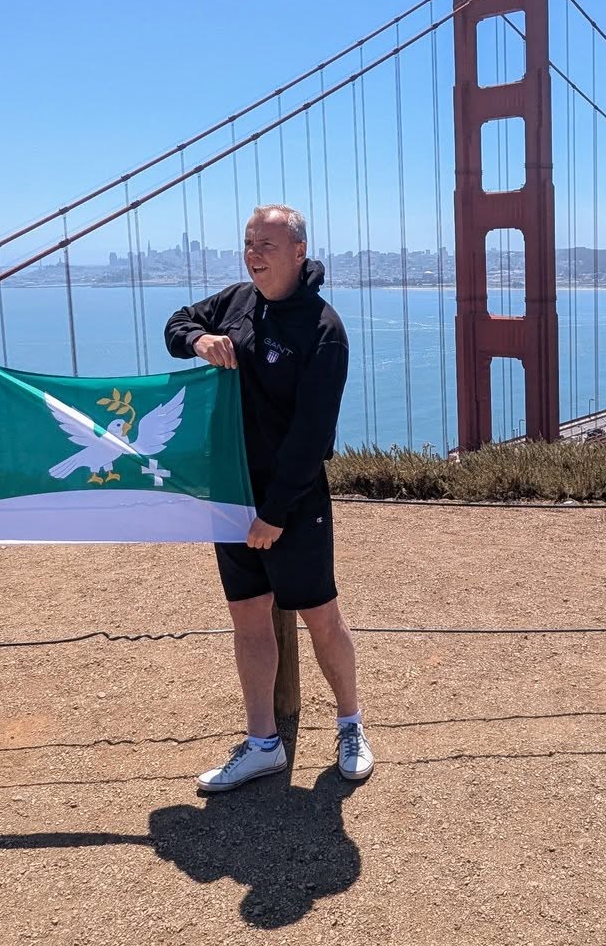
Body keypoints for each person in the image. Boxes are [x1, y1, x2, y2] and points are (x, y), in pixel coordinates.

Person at [164, 204, 368, 791]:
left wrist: (274, 513)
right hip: (230, 491)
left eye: (267, 245)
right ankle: (262, 745)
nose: (254, 254)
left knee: (320, 615)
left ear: (299, 252)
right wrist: (199, 339)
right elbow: (176, 324)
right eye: (249, 242)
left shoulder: (324, 329)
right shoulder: (234, 302)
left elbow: (312, 435)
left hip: (292, 503)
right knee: (248, 617)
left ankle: (350, 724)